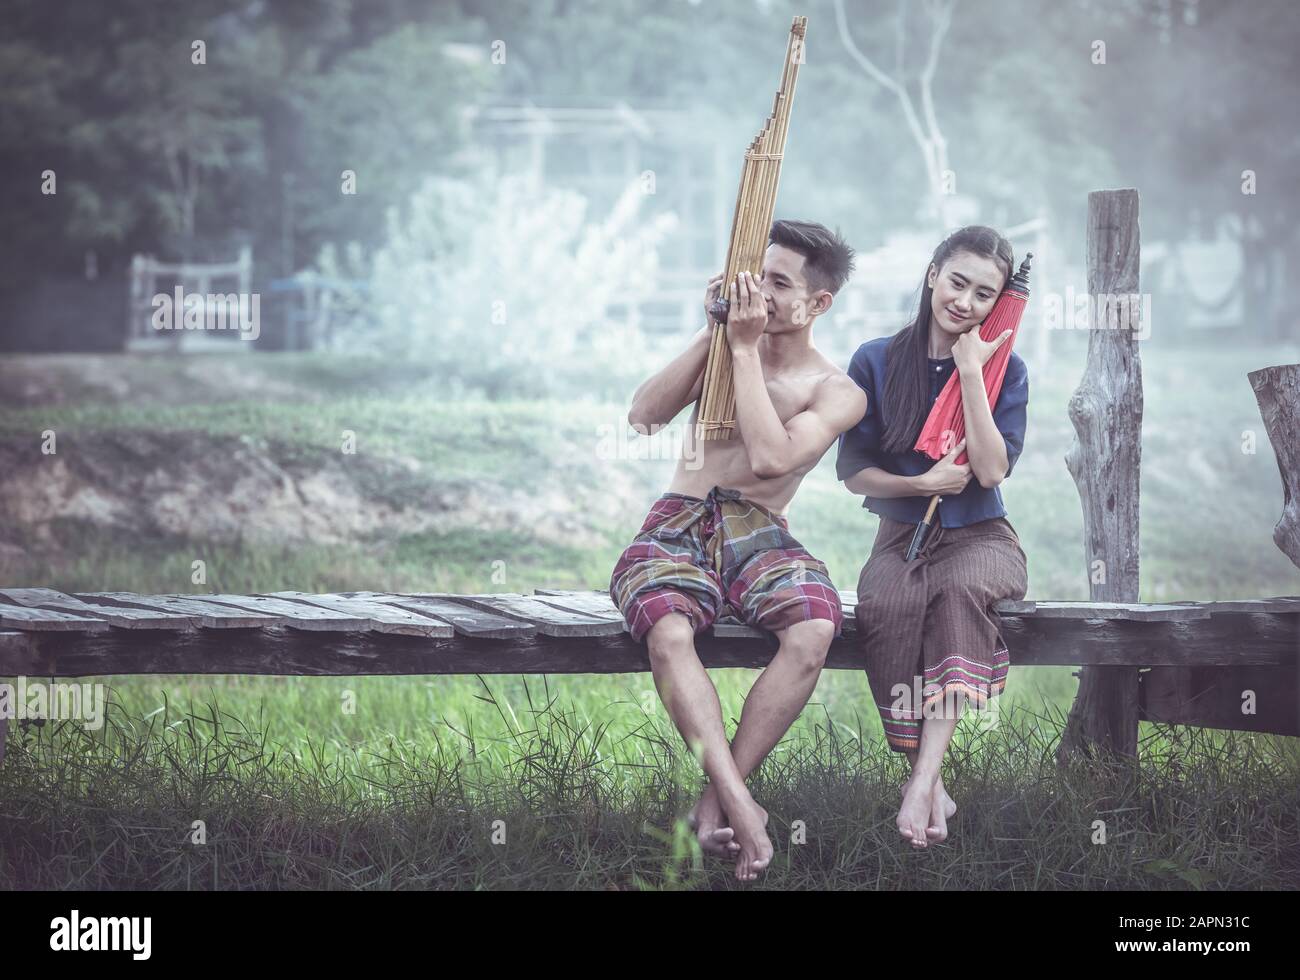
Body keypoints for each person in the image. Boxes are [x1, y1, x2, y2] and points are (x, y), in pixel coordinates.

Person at [609, 219, 866, 880]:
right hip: (678, 522)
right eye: (757, 276)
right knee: (668, 632)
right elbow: (642, 416)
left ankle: (712, 801)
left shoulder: (836, 391)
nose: (760, 292)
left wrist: (744, 350)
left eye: (779, 283)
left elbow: (771, 455)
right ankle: (740, 805)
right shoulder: (721, 345)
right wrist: (714, 331)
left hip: (761, 530)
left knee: (814, 624)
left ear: (818, 303)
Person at [836, 225, 1030, 849]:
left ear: (998, 302)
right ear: (932, 276)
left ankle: (922, 782)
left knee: (958, 589)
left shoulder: (1008, 371)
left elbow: (994, 469)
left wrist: (973, 372)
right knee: (886, 602)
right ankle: (926, 779)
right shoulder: (875, 359)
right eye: (957, 282)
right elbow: (852, 474)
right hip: (900, 538)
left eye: (983, 293)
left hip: (981, 537)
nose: (965, 302)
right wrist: (924, 485)